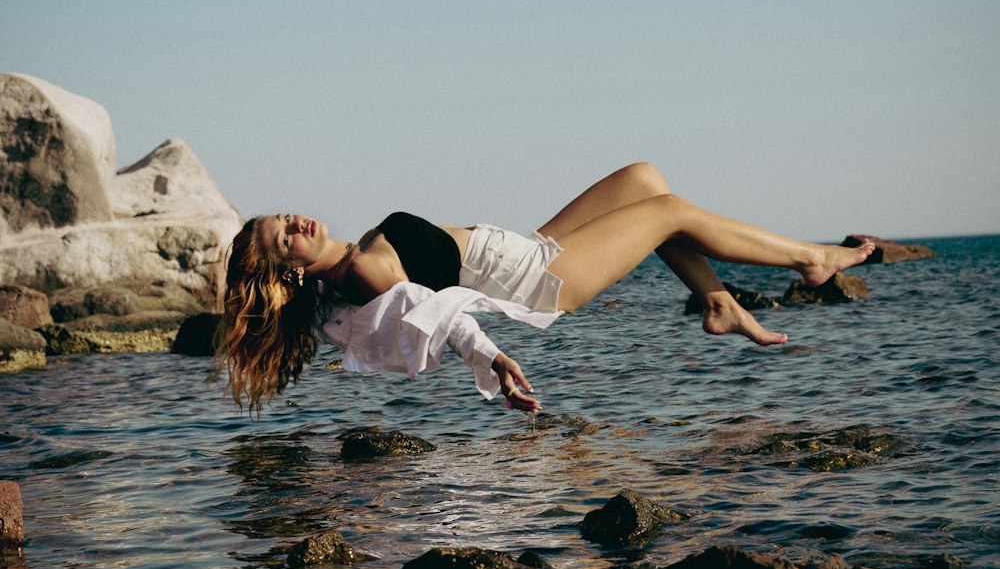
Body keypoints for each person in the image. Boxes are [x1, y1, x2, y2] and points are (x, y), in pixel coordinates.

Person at [217, 161, 874, 417]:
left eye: (282, 221)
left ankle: (719, 302)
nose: (294, 227)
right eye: (284, 241)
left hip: (533, 244)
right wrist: (492, 359)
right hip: (541, 279)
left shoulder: (357, 253)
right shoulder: (363, 276)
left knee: (645, 181)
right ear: (289, 272)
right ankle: (810, 259)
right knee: (669, 213)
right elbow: (437, 316)